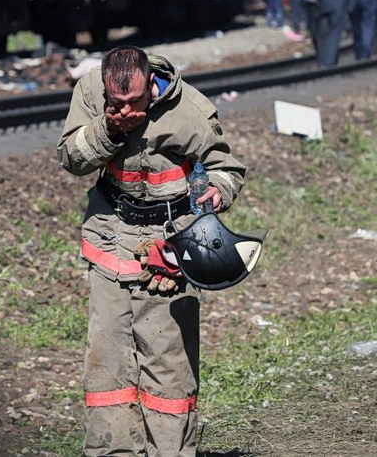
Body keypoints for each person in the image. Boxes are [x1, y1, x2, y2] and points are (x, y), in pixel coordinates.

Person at [56, 46, 246, 457]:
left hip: (170, 245)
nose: (125, 109)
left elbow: (227, 168)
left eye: (134, 102)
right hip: (109, 239)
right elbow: (70, 158)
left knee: (168, 364)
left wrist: (218, 190)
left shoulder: (190, 110)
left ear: (152, 86)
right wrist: (108, 129)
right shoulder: (90, 92)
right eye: (116, 101)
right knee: (107, 363)